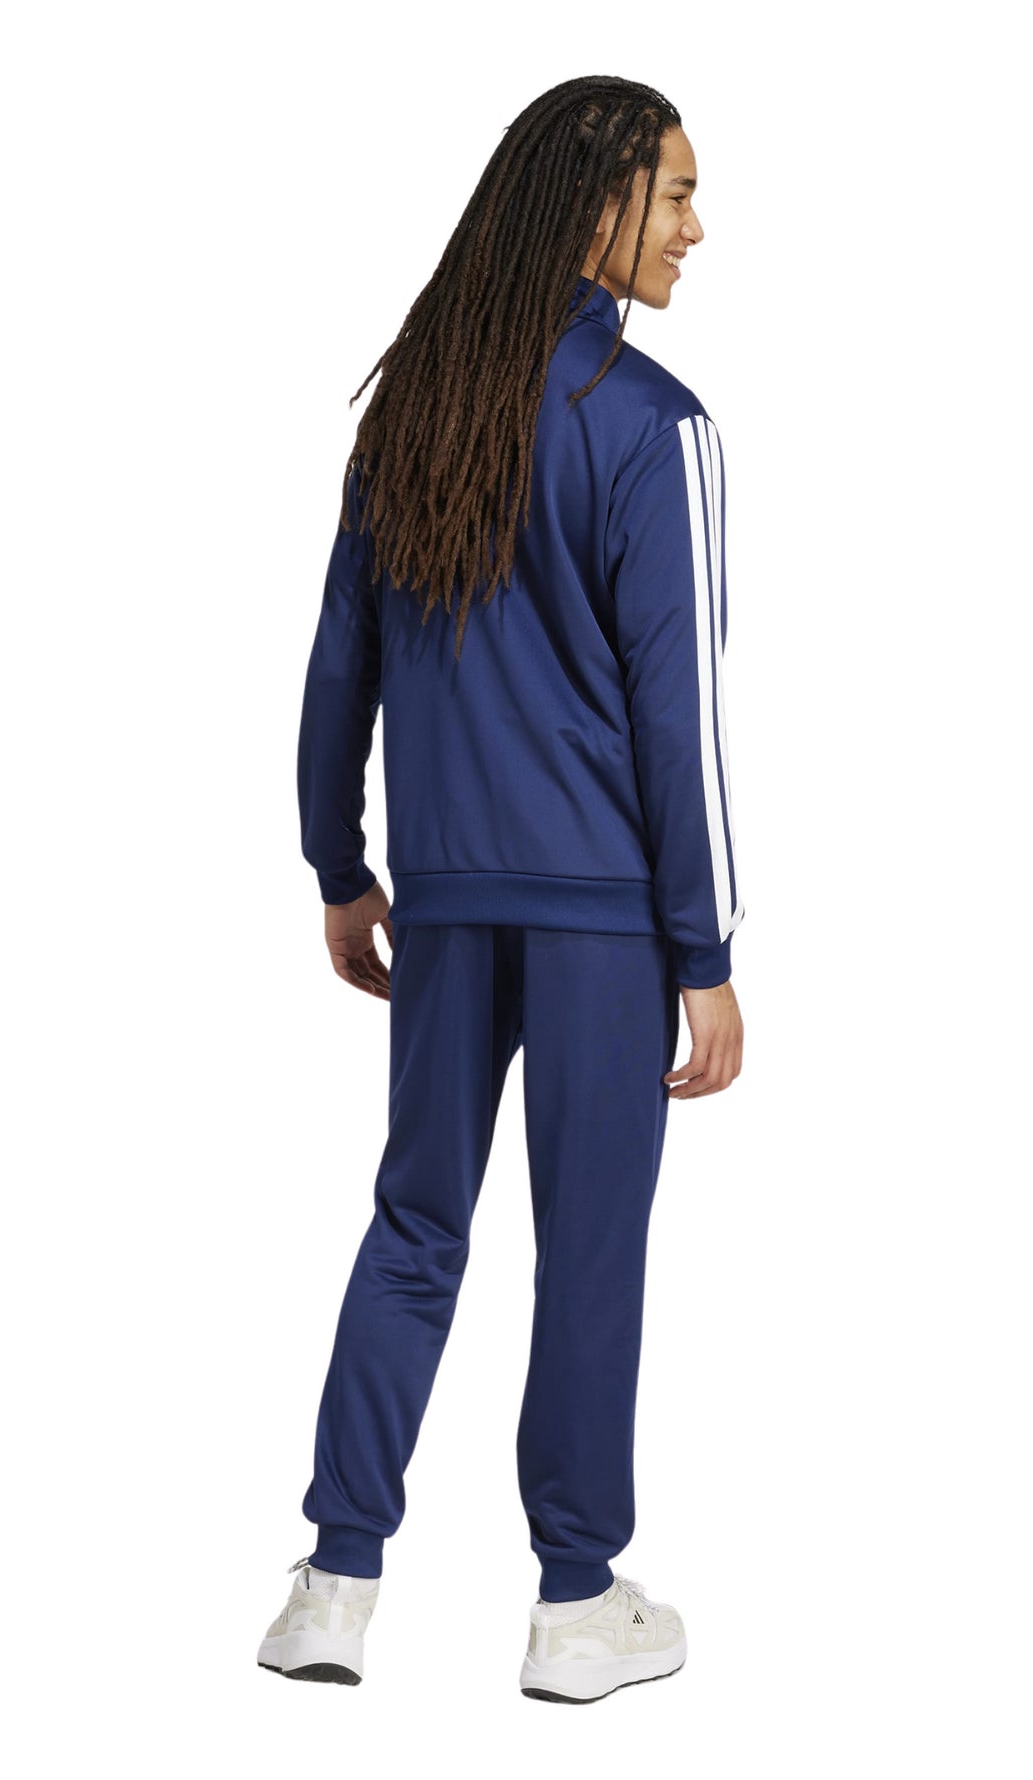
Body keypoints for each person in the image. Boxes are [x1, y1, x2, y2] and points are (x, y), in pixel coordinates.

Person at [259, 76, 744, 1704]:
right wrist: (705, 948)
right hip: (604, 917)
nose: (696, 226)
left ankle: (333, 1583)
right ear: (598, 204)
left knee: (417, 1225)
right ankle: (576, 1608)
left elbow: (340, 661)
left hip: (451, 902)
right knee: (588, 1251)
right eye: (675, 193)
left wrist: (342, 866)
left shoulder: (420, 406)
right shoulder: (653, 423)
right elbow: (681, 714)